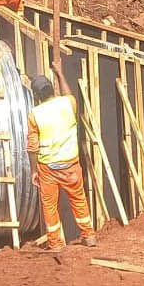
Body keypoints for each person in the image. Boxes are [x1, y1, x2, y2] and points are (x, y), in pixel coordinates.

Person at [27, 58, 97, 255]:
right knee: (78, 199)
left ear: (36, 96)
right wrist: (59, 72)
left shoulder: (35, 114)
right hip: (70, 164)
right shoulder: (68, 104)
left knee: (50, 206)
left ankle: (56, 244)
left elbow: (33, 147)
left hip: (48, 167)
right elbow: (69, 94)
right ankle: (89, 235)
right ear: (51, 89)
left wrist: (34, 171)